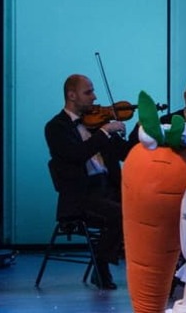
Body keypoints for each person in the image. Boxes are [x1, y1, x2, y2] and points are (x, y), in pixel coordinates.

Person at [44, 73, 132, 288]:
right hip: (80, 195)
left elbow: (125, 153)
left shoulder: (98, 124)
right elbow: (77, 155)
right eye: (88, 92)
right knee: (120, 214)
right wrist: (104, 132)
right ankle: (101, 265)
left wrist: (140, 131)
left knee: (142, 209)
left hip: (107, 189)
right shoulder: (56, 127)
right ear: (72, 95)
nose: (94, 97)